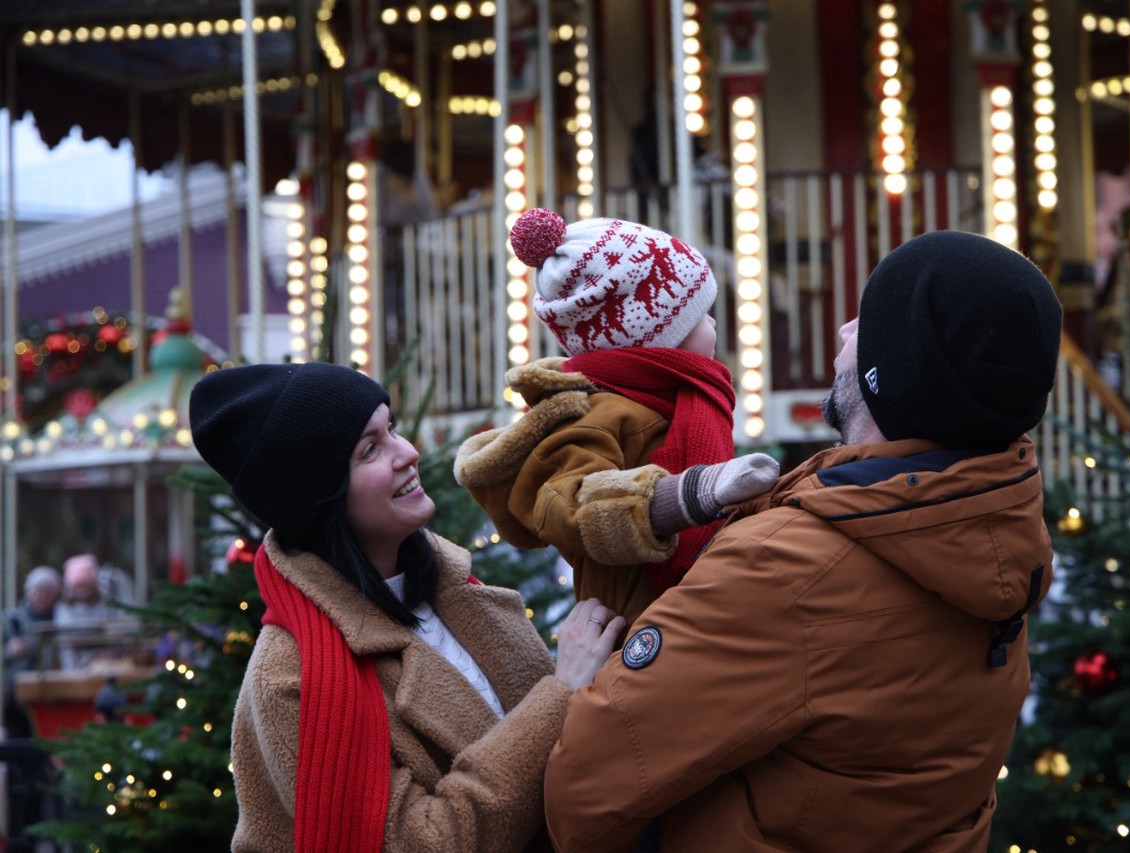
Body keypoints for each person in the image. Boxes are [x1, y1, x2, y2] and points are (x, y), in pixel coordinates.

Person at [544, 230, 1063, 851]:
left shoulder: (785, 568)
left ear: (890, 370)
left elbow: (582, 797)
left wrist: (571, 687)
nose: (844, 330)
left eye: (867, 321)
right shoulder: (994, 524)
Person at [189, 360, 624, 852]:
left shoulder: (454, 591)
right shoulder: (292, 677)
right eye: (370, 450)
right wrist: (561, 692)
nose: (409, 453)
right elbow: (418, 842)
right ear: (320, 498)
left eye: (390, 428)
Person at [455, 208, 778, 625]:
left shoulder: (671, 400)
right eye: (699, 314)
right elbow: (562, 502)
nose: (713, 322)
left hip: (687, 615)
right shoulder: (599, 413)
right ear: (657, 337)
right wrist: (676, 499)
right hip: (634, 629)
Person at [3, 566, 62, 737]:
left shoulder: (62, 620)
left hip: (52, 695)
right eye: (38, 590)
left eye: (48, 592)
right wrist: (9, 651)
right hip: (15, 699)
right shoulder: (10, 621)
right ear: (28, 591)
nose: (42, 596)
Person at [54, 553, 136, 670]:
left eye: (85, 586)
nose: (82, 592)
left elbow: (122, 629)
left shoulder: (107, 603)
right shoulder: (64, 609)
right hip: (78, 667)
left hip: (110, 664)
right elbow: (67, 645)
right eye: (78, 587)